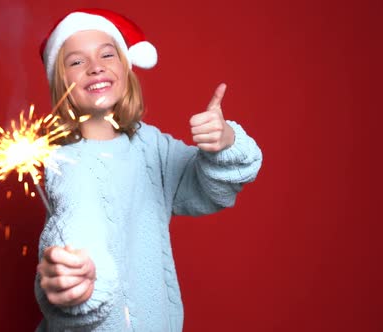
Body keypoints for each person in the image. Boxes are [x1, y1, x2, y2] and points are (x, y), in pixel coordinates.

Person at [34, 8, 262, 331]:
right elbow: (77, 222)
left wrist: (222, 142)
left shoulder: (150, 146)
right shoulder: (66, 164)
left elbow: (204, 188)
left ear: (126, 67)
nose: (95, 67)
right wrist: (76, 279)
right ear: (61, 81)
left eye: (107, 54)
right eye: (76, 61)